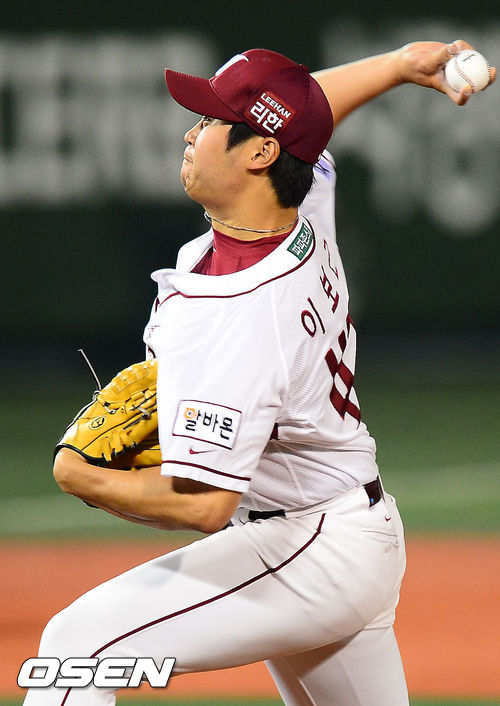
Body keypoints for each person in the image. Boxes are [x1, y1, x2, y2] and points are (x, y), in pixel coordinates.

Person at [24, 40, 495, 706]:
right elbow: (307, 112)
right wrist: (394, 67)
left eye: (210, 121)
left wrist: (83, 477)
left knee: (80, 645)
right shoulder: (302, 202)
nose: (190, 134)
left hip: (309, 549)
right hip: (347, 530)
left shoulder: (243, 316)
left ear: (260, 154)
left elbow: (206, 505)